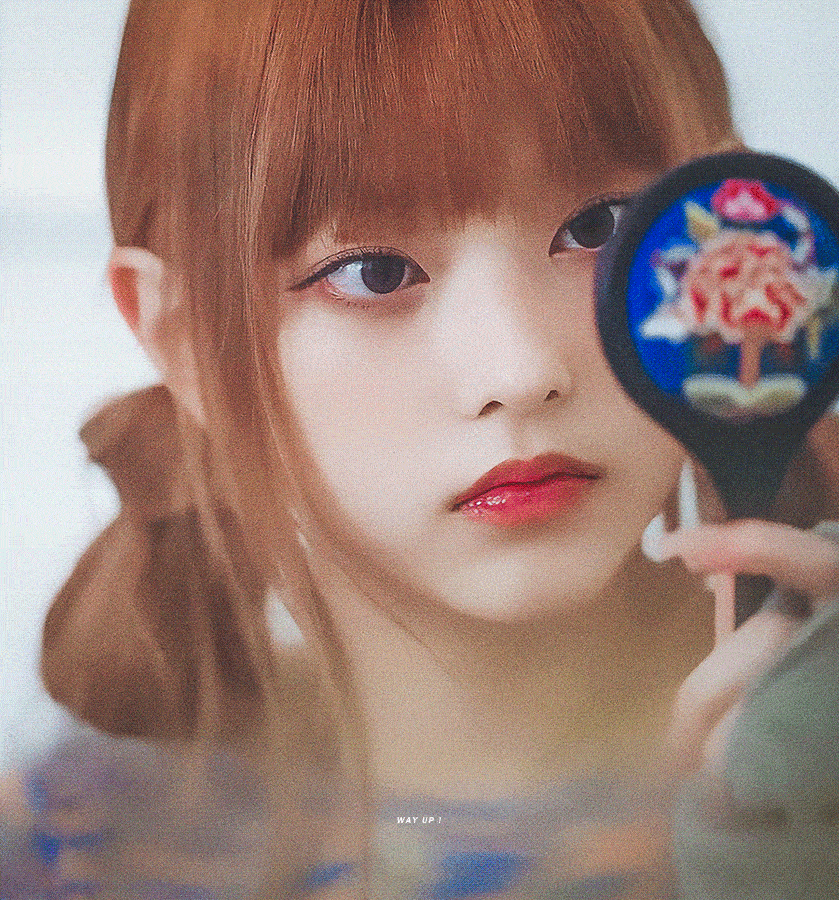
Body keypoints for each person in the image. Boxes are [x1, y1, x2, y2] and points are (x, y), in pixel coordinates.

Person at [3, 1, 838, 898]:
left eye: (598, 225)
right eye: (373, 272)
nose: (520, 372)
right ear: (183, 339)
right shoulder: (71, 858)